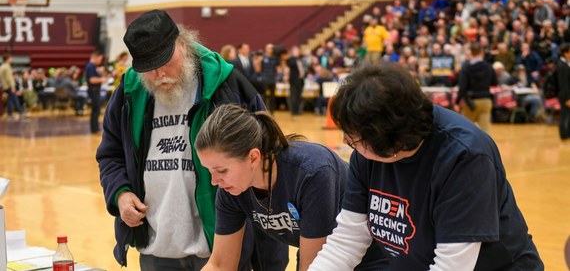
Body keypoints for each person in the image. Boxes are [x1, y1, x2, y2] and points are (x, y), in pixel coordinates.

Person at [96, 10, 287, 270]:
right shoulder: (129, 92)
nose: (159, 73)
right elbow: (110, 154)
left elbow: (267, 158)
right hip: (156, 247)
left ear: (183, 44)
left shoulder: (226, 85)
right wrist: (121, 193)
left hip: (222, 246)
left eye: (164, 60)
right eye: (148, 68)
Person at [308, 63, 544, 270]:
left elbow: (452, 265)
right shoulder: (367, 151)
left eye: (353, 138)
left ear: (392, 142)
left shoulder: (465, 156)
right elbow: (348, 240)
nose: (346, 143)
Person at [195, 104, 386, 271]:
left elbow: (313, 265)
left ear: (253, 157)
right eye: (209, 171)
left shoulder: (312, 172)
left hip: (373, 257)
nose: (214, 181)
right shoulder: (231, 188)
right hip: (319, 257)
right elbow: (220, 265)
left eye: (221, 170)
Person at [455, 42, 498, 133]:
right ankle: (485, 147)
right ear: (481, 52)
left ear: (470, 52)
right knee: (485, 132)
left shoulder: (466, 68)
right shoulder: (489, 66)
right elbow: (495, 83)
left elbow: (462, 88)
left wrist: (457, 102)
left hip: (470, 102)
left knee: (466, 131)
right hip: (486, 101)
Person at [84, 51, 106, 133]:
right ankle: (95, 129)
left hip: (95, 91)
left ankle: (95, 128)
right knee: (96, 110)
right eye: (100, 59)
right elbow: (92, 80)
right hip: (93, 91)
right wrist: (102, 79)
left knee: (96, 110)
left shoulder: (93, 67)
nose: (100, 61)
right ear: (95, 57)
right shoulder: (90, 66)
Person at [0, 54, 27, 120]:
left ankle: (12, 114)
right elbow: (9, 78)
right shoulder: (7, 67)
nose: (12, 60)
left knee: (11, 100)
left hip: (5, 85)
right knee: (14, 99)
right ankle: (20, 112)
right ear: (8, 59)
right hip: (9, 86)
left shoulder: (2, 66)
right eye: (11, 58)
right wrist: (12, 86)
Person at [557, 43, 570, 140]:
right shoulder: (562, 66)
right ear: (565, 53)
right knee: (564, 115)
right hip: (565, 95)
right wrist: (567, 99)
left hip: (566, 94)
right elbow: (563, 84)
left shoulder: (566, 64)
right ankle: (563, 135)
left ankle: (567, 133)